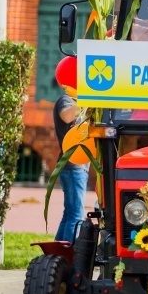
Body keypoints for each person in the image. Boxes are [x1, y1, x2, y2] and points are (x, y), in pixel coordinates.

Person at [53, 87, 88, 243]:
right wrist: (89, 100)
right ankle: (71, 254)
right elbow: (67, 116)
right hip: (72, 166)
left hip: (77, 166)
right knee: (76, 215)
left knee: (69, 213)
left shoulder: (76, 102)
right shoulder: (66, 100)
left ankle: (58, 252)